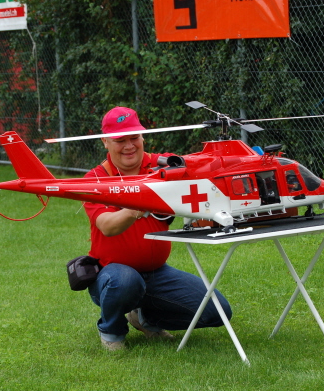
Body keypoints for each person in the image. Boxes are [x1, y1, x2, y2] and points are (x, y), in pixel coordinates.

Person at [84, 106, 233, 351]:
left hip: (157, 272)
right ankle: (111, 331)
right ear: (105, 142)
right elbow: (107, 227)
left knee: (218, 312)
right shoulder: (95, 179)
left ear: (143, 137)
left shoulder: (164, 164)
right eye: (120, 140)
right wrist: (135, 207)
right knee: (125, 281)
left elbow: (204, 172)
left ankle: (146, 319)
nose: (129, 146)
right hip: (112, 274)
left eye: (134, 138)